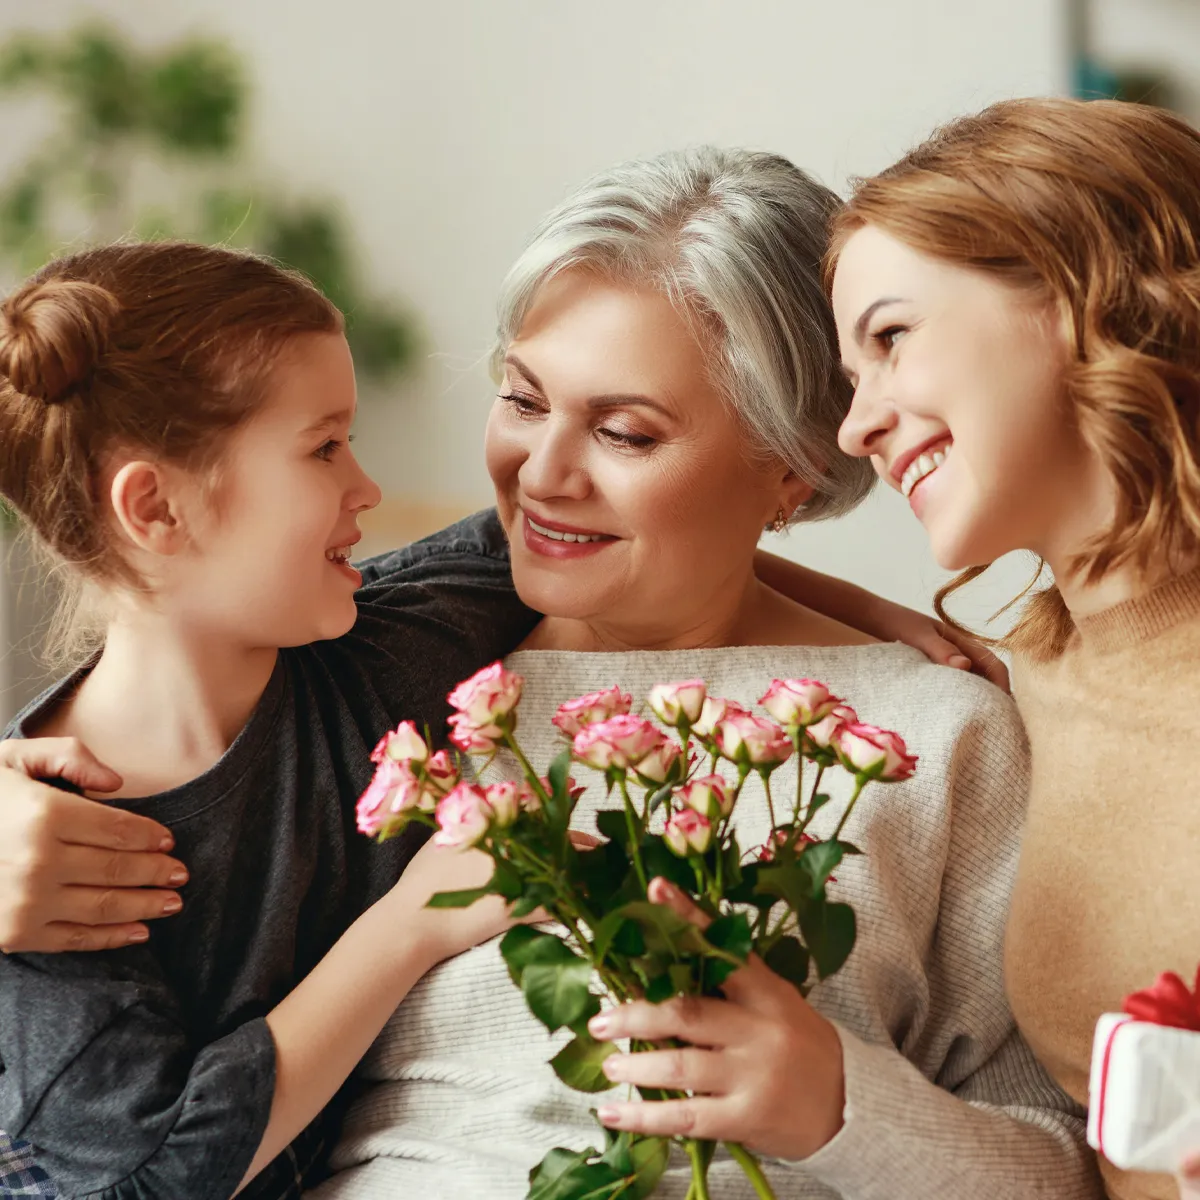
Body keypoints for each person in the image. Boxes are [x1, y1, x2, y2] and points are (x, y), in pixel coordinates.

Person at [305, 147, 1100, 1199]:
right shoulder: (393, 681)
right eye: (522, 398)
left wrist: (841, 1106)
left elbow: (1076, 1171)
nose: (540, 475)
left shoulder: (933, 735)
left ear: (793, 468)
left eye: (625, 432)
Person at [0, 242, 542, 1198]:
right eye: (325, 445)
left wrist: (887, 625)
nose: (367, 489)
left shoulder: (384, 648)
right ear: (155, 506)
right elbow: (160, 1173)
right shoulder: (54, 858)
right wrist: (415, 920)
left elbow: (589, 534)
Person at [825, 97, 1200, 1200]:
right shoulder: (1020, 690)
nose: (858, 426)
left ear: (1080, 288)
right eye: (852, 379)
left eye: (890, 337)